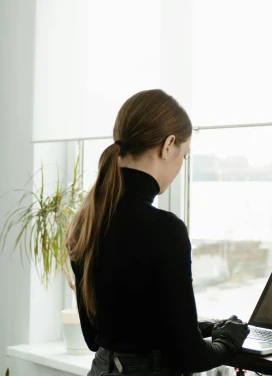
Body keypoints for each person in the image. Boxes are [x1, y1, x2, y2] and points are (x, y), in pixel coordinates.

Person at [66, 89, 249, 375]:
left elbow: (97, 337)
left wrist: (203, 327)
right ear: (168, 146)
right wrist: (230, 338)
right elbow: (190, 358)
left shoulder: (85, 223)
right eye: (184, 156)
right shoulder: (165, 229)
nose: (179, 166)